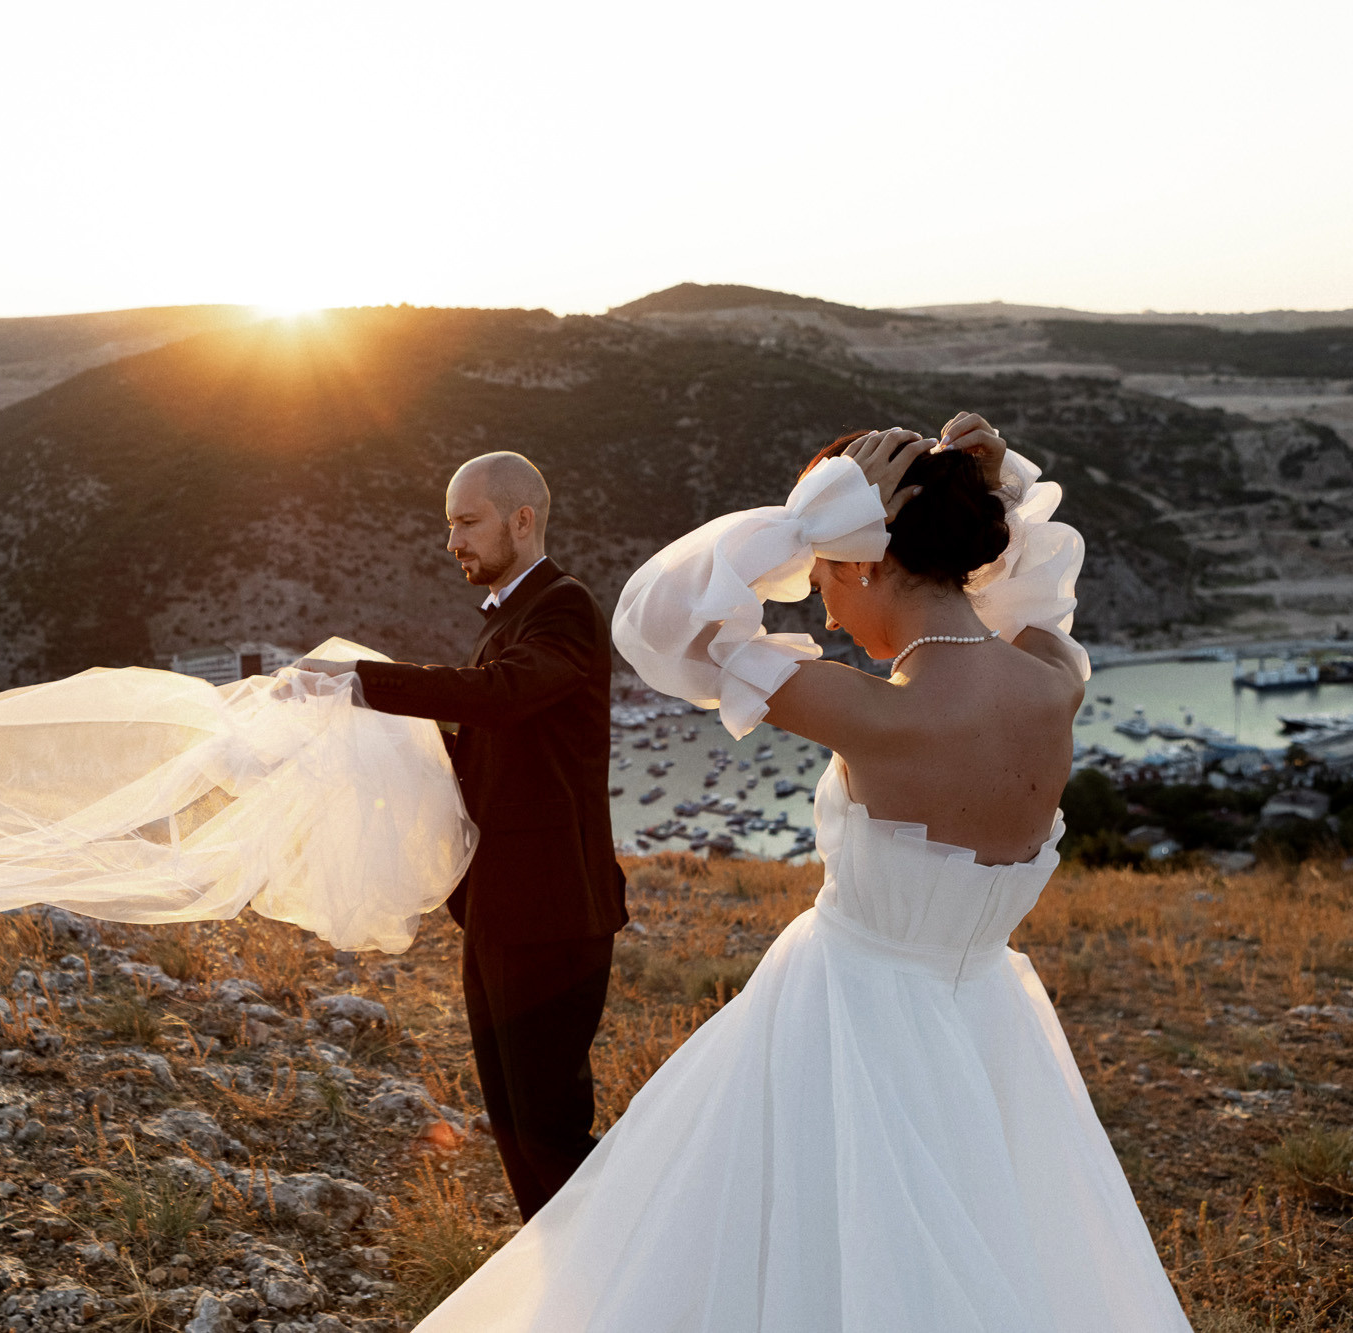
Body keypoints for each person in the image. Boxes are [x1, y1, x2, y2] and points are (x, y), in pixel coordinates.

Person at [416, 416, 1192, 1330]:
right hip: (989, 1023)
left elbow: (656, 621)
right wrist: (996, 492)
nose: (822, 612)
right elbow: (1035, 597)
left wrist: (808, 518)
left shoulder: (875, 714)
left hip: (842, 1024)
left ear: (862, 561)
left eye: (822, 577)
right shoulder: (1055, 677)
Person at [296, 451, 626, 1221]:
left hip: (554, 913)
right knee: (512, 1123)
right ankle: (560, 1263)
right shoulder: (507, 617)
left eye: (467, 522)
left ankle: (622, 1260)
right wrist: (368, 736)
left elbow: (501, 695)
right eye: (450, 526)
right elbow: (485, 749)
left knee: (549, 1129)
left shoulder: (565, 607)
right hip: (498, 909)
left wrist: (361, 681)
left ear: (522, 519)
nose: (453, 543)